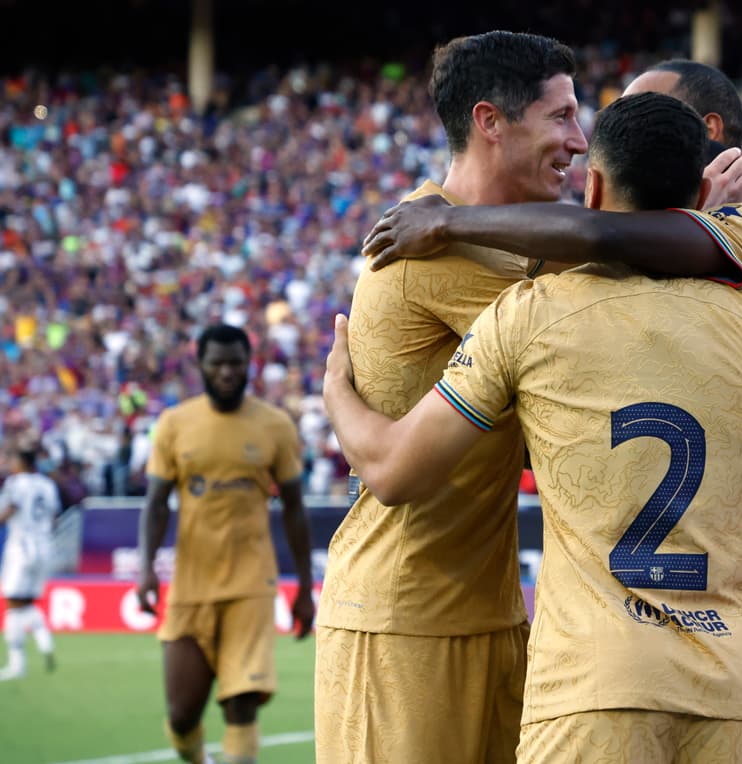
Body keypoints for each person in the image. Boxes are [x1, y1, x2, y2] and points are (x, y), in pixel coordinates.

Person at [360, 60, 742, 763]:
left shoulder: (732, 245)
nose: (583, 140)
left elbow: (605, 237)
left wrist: (451, 226)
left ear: (708, 135)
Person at [313, 31, 588, 764]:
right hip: (403, 621)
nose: (580, 140)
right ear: (490, 121)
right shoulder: (426, 252)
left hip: (481, 612)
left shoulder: (487, 239)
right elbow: (595, 334)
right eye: (560, 117)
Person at [137, 324, 314, 764]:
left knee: (241, 705)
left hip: (251, 586)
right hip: (191, 587)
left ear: (249, 364)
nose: (228, 372)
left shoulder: (274, 425)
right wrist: (145, 569)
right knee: (181, 715)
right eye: (217, 363)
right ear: (200, 365)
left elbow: (294, 507)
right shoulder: (175, 424)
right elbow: (156, 504)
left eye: (236, 362)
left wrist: (306, 589)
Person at [0, 448, 60, 681]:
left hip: (21, 547)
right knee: (25, 602)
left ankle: (17, 665)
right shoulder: (48, 485)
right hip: (44, 547)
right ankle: (44, 638)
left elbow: (10, 509)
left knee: (13, 603)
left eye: (13, 459)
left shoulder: (16, 483)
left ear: (22, 462)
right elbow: (54, 518)